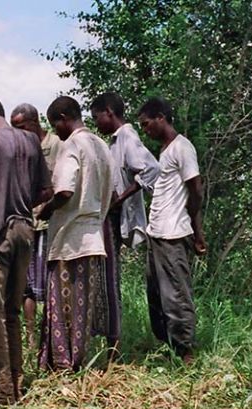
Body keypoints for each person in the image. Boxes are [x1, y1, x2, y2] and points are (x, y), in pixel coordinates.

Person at [0, 96, 52, 405]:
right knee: (12, 312)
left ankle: (2, 394)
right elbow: (46, 190)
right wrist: (22, 201)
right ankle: (17, 384)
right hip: (26, 231)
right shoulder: (31, 140)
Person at [38, 96, 117, 371]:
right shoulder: (101, 145)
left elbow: (64, 190)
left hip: (69, 240)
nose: (55, 131)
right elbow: (111, 193)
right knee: (82, 309)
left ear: (63, 118)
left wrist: (46, 210)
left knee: (63, 307)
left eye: (54, 125)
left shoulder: (71, 145)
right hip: (94, 239)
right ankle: (78, 361)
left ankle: (63, 366)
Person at [90, 92, 161, 359]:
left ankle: (114, 349)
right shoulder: (114, 141)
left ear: (109, 112)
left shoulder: (127, 137)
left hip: (116, 216)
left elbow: (151, 169)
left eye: (97, 117)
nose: (96, 123)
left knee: (110, 279)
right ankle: (111, 346)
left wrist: (120, 198)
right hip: (109, 215)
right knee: (105, 277)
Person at [137, 98, 207, 364]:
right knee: (157, 296)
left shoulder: (182, 147)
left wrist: (197, 232)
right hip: (156, 233)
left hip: (173, 234)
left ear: (161, 117)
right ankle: (169, 349)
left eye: (147, 124)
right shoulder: (165, 151)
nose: (145, 130)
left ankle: (186, 353)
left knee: (176, 295)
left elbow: (195, 189)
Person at [10, 103, 63, 347]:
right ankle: (31, 336)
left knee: (50, 282)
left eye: (22, 127)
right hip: (26, 223)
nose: (18, 132)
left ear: (34, 122)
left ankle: (51, 335)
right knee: (26, 284)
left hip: (51, 223)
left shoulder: (57, 145)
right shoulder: (18, 149)